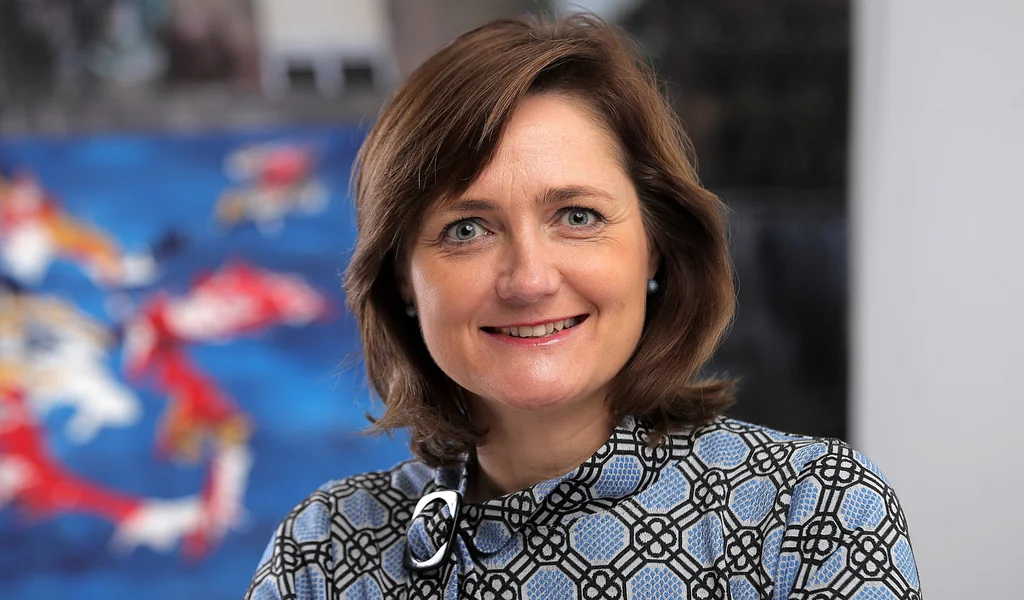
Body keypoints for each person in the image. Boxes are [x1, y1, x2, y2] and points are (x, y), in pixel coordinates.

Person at [246, 13, 920, 600]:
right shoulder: (325, 552)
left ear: (655, 247)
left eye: (577, 216)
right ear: (401, 277)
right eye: (467, 229)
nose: (529, 280)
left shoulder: (810, 514)